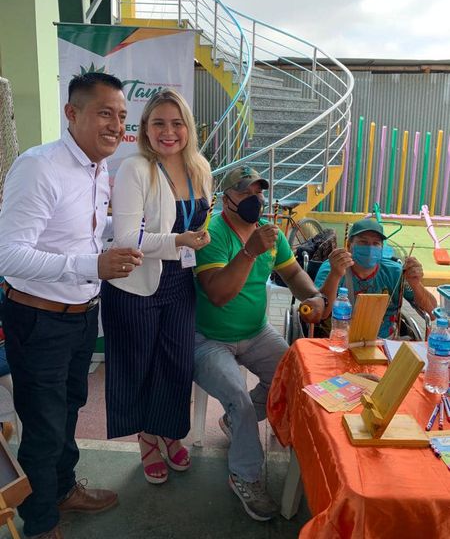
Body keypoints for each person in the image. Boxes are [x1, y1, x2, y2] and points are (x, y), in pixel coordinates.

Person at [0, 72, 143, 539]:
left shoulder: (99, 170)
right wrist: (91, 264)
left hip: (82, 314)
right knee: (43, 425)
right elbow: (8, 254)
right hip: (38, 317)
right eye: (104, 113)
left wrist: (134, 236)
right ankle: (41, 523)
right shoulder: (39, 167)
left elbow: (81, 233)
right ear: (72, 113)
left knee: (68, 410)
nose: (115, 125)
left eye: (121, 116)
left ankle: (62, 490)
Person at [193, 165, 326, 521]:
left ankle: (237, 422)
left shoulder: (270, 234)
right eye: (245, 192)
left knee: (295, 375)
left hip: (256, 332)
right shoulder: (212, 234)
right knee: (239, 398)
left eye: (259, 192)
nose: (256, 199)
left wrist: (314, 296)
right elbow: (218, 295)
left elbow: (293, 273)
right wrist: (249, 252)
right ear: (226, 199)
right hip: (209, 338)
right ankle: (245, 475)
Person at [101, 89, 212, 485]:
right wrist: (179, 241)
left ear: (188, 128)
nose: (169, 132)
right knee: (139, 366)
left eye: (177, 123)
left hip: (180, 282)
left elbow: (202, 218)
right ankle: (147, 438)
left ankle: (167, 430)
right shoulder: (134, 168)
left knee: (176, 363)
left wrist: (198, 239)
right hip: (136, 286)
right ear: (145, 128)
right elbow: (126, 239)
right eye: (159, 123)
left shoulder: (200, 168)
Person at [315, 218, 437, 337]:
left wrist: (416, 284)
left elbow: (432, 312)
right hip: (340, 340)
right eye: (363, 242)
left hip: (385, 343)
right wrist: (335, 275)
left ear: (382, 248)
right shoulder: (332, 268)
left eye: (376, 243)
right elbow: (320, 313)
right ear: (349, 245)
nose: (370, 248)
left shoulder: (394, 272)